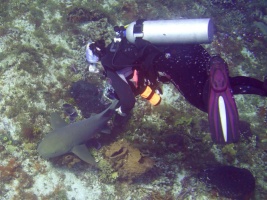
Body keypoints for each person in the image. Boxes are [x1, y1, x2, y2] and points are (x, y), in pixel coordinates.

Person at [86, 19, 267, 144]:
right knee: (221, 86)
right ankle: (262, 87)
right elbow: (141, 79)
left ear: (96, 60)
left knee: (206, 102)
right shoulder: (122, 45)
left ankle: (220, 74)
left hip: (174, 62)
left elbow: (128, 101)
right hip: (190, 49)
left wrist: (121, 111)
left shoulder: (109, 64)